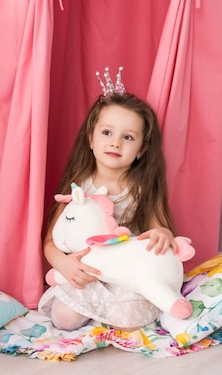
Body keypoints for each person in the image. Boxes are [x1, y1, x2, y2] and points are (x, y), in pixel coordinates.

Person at [38, 67, 179, 332]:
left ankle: (107, 317)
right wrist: (63, 263)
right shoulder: (79, 186)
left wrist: (162, 234)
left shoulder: (142, 187)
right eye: (106, 133)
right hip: (87, 273)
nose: (115, 143)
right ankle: (93, 312)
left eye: (127, 137)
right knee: (64, 320)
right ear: (90, 138)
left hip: (125, 277)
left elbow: (160, 229)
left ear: (141, 150)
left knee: (128, 323)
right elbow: (50, 241)